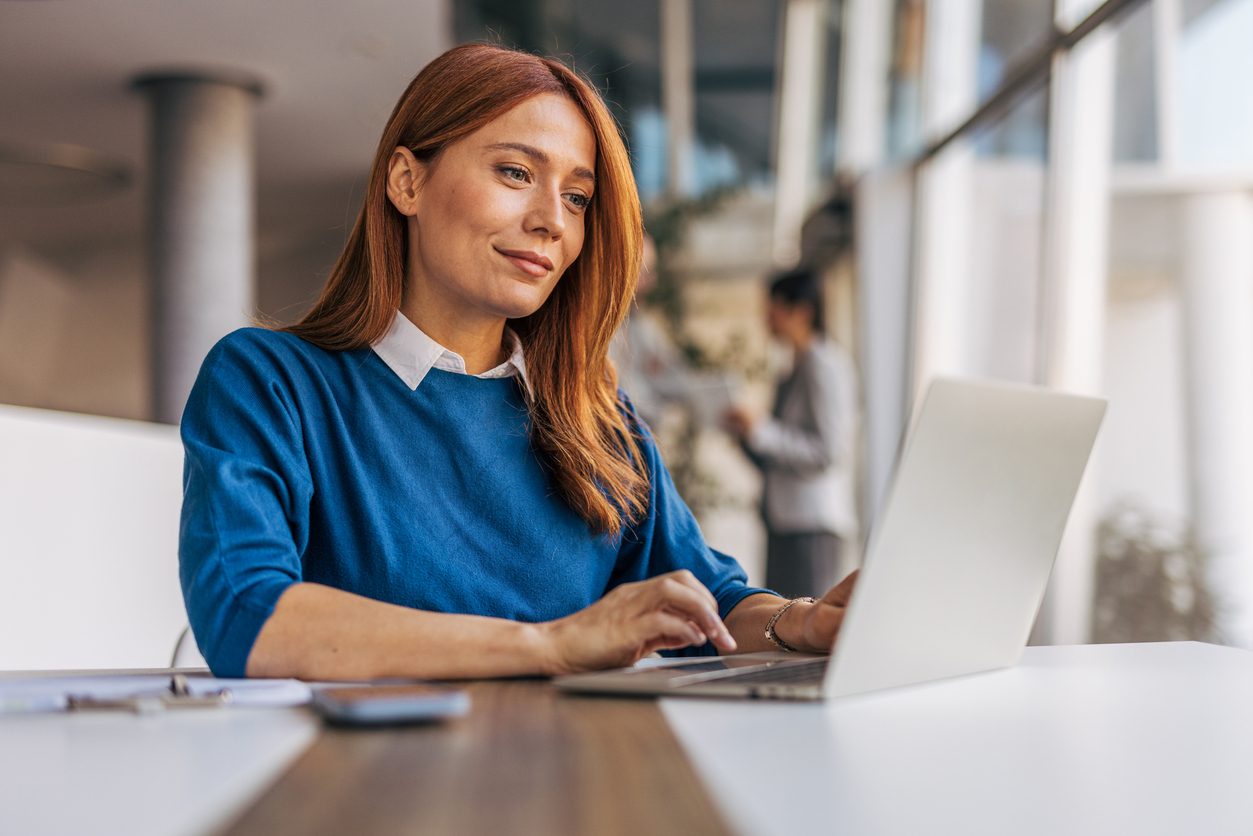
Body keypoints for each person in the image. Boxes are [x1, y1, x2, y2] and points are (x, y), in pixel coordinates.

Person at [178, 43, 858, 682]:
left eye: (576, 196)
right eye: (515, 172)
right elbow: (248, 614)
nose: (551, 222)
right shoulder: (269, 383)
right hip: (358, 796)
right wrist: (549, 645)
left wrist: (799, 623)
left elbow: (712, 602)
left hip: (573, 793)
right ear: (406, 182)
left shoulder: (599, 425)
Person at [724, 268, 859, 599]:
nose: (766, 318)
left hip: (811, 525)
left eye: (774, 309)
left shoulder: (824, 364)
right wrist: (746, 436)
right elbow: (778, 455)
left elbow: (829, 451)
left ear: (802, 311)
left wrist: (762, 430)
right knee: (782, 622)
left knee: (806, 629)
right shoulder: (793, 366)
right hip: (785, 521)